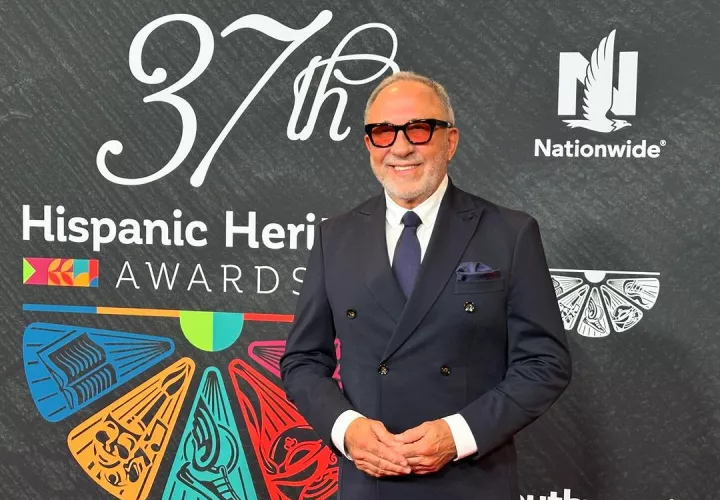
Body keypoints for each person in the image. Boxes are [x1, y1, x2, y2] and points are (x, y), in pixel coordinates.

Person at [280, 71, 572, 500]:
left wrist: (459, 434)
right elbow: (303, 359)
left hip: (472, 481)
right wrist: (346, 429)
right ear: (368, 144)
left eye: (418, 129)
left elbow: (545, 363)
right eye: (383, 132)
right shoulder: (334, 237)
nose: (400, 147)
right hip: (371, 483)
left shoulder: (509, 234)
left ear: (450, 141)